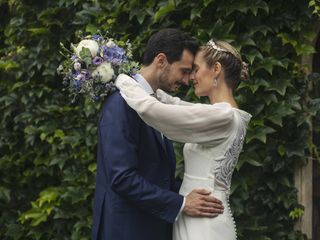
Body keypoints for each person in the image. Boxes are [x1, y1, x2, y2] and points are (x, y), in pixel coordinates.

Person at [92, 29, 225, 240]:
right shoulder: (120, 103)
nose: (186, 80)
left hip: (152, 228)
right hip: (126, 230)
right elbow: (122, 178)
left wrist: (191, 195)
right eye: (183, 71)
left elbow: (157, 174)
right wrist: (181, 203)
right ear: (161, 60)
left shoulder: (156, 105)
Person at [115, 39, 252, 240]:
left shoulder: (223, 117)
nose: (191, 77)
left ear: (216, 69)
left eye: (195, 69)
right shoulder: (222, 114)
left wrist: (121, 78)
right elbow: (176, 104)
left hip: (204, 220)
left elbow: (151, 110)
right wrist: (148, 84)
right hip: (197, 214)